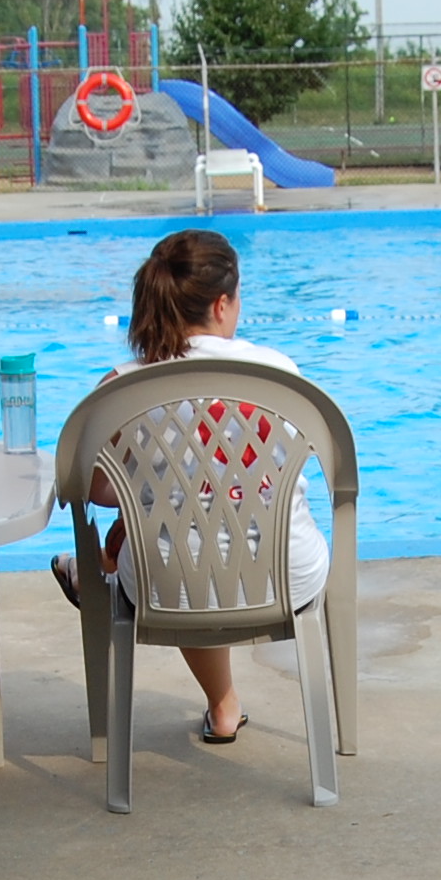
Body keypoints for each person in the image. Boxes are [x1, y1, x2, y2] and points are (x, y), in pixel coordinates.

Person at [50, 229, 331, 745]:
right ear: (222, 304)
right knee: (200, 529)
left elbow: (93, 490)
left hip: (169, 584)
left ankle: (220, 703)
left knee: (175, 541)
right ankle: (228, 709)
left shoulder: (123, 386)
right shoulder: (280, 375)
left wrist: (148, 496)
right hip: (287, 574)